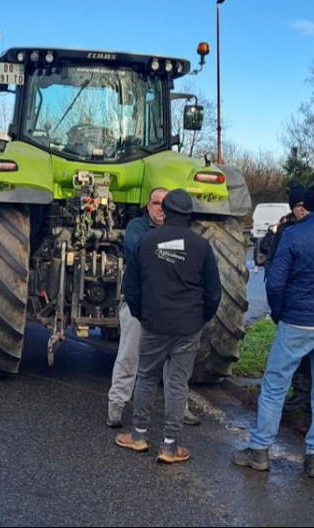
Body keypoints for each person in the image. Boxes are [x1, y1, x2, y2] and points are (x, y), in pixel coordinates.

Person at [232, 181, 314, 479]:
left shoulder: (293, 235)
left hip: (297, 321)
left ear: (307, 204)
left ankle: (259, 450)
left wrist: (279, 313)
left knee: (275, 384)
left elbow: (276, 283)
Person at [114, 189, 221, 464]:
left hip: (154, 323)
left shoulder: (146, 242)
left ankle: (138, 436)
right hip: (188, 326)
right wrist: (200, 318)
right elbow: (213, 293)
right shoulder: (202, 247)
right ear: (190, 215)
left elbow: (131, 287)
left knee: (147, 377)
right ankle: (170, 446)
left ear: (166, 212)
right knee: (176, 383)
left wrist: (141, 315)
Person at [106, 187, 200, 428]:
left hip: (174, 307)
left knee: (176, 365)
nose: (160, 208)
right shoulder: (137, 227)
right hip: (142, 305)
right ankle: (116, 405)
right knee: (129, 355)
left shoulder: (185, 234)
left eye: (164, 204)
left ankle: (180, 408)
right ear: (148, 206)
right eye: (156, 203)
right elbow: (139, 251)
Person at [255, 185, 313, 415]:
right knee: (289, 354)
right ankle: (297, 393)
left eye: (305, 206)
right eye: (299, 206)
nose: (303, 211)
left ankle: (306, 394)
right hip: (288, 300)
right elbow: (273, 258)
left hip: (307, 302)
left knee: (311, 356)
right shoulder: (284, 228)